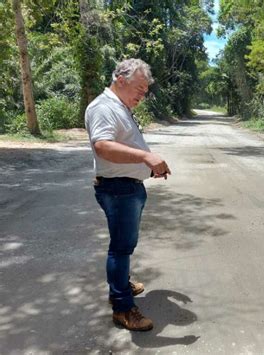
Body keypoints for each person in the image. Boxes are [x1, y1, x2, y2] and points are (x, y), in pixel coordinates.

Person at [85, 58, 171, 330]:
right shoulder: (103, 107)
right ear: (120, 80)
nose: (142, 95)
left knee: (124, 245)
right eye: (140, 88)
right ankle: (122, 308)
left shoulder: (118, 106)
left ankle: (122, 284)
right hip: (118, 189)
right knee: (121, 248)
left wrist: (147, 167)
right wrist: (146, 156)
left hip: (127, 186)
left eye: (145, 91)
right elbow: (103, 146)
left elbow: (122, 143)